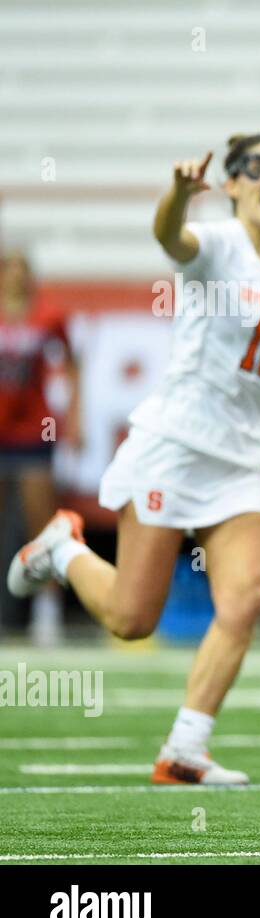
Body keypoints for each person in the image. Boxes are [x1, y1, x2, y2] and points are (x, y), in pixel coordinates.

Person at [8, 134, 260, 784]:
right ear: (231, 182)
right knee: (132, 618)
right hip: (177, 445)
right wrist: (175, 192)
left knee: (244, 601)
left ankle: (185, 747)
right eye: (259, 166)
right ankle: (63, 549)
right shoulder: (217, 242)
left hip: (241, 463)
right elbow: (170, 237)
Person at [0, 251, 81, 644]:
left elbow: (72, 360)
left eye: (21, 271)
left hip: (34, 431)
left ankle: (47, 613)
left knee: (41, 524)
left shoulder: (48, 314)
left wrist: (75, 419)